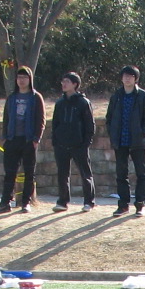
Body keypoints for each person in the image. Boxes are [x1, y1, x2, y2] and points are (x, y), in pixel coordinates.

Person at [106, 64, 145, 217]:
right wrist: (112, 134)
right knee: (121, 174)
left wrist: (142, 134)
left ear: (136, 79)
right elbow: (109, 118)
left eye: (130, 76)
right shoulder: (116, 96)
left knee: (141, 173)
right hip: (120, 140)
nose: (127, 78)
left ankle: (140, 204)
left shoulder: (143, 96)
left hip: (137, 141)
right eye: (125, 76)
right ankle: (123, 205)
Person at [0, 66, 43, 213]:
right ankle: (5, 202)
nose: (21, 80)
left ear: (30, 79)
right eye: (19, 77)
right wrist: (5, 137)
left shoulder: (36, 97)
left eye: (24, 77)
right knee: (9, 172)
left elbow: (40, 120)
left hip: (28, 140)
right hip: (12, 139)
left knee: (29, 172)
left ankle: (26, 202)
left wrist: (36, 139)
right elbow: (6, 118)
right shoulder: (12, 97)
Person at [49, 71, 95, 212]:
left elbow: (89, 125)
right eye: (63, 81)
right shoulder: (60, 103)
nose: (64, 84)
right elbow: (55, 123)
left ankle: (89, 202)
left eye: (67, 81)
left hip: (79, 145)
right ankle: (62, 202)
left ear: (75, 84)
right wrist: (55, 141)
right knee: (62, 174)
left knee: (85, 174)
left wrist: (86, 143)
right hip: (61, 144)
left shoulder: (83, 102)